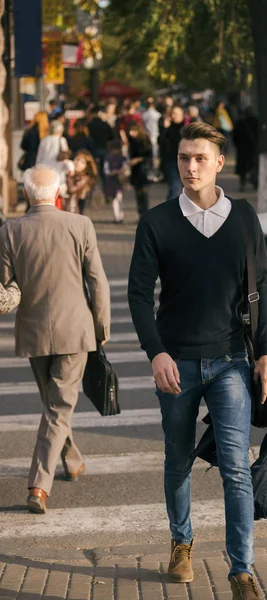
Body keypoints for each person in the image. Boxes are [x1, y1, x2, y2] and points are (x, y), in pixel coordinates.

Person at [128, 122, 267, 600]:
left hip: (231, 360)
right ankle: (181, 542)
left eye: (200, 158)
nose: (190, 167)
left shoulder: (243, 218)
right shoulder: (156, 221)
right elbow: (137, 294)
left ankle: (241, 570)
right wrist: (156, 353)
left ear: (220, 163)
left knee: (236, 466)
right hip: (176, 364)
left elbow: (263, 289)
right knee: (178, 460)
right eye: (183, 158)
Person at [0, 165, 110, 514]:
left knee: (55, 404)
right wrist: (101, 330)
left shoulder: (10, 231)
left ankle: (72, 460)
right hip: (75, 331)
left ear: (27, 195)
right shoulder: (80, 225)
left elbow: (4, 285)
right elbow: (98, 283)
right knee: (58, 406)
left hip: (33, 332)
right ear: (58, 193)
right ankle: (39, 485)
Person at [158, 105, 185, 201]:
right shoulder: (167, 129)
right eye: (172, 113)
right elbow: (161, 142)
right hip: (171, 162)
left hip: (185, 162)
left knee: (184, 190)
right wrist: (164, 129)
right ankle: (170, 213)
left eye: (176, 114)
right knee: (175, 188)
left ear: (182, 115)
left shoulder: (185, 129)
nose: (173, 116)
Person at [127, 122, 152, 218]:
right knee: (138, 193)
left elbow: (148, 155)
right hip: (135, 170)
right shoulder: (132, 140)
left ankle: (145, 213)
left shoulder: (144, 140)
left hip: (143, 169)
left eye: (133, 131)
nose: (131, 133)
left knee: (143, 193)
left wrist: (137, 159)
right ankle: (141, 213)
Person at [87, 106, 115, 188]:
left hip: (92, 149)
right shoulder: (104, 124)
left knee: (93, 169)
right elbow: (112, 136)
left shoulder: (89, 125)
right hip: (104, 148)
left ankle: (93, 186)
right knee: (104, 170)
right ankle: (106, 187)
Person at [233, 107, 258, 192]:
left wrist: (238, 146)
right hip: (254, 148)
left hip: (242, 149)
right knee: (254, 166)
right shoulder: (257, 122)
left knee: (242, 168)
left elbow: (235, 137)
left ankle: (242, 184)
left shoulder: (240, 123)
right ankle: (255, 183)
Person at [66, 150, 98, 214]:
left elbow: (72, 189)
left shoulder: (85, 178)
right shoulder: (68, 172)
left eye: (82, 162)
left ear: (87, 166)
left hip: (75, 211)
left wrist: (68, 177)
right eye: (77, 159)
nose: (78, 163)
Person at [104, 139, 127, 223]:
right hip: (113, 181)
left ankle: (119, 217)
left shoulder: (119, 157)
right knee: (116, 199)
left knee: (118, 198)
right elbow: (106, 170)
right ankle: (118, 217)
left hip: (118, 180)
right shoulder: (112, 158)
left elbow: (124, 168)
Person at [142, 97, 162, 177]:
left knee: (150, 155)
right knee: (155, 155)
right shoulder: (157, 115)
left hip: (147, 136)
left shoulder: (144, 115)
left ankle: (151, 171)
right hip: (155, 135)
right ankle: (155, 171)